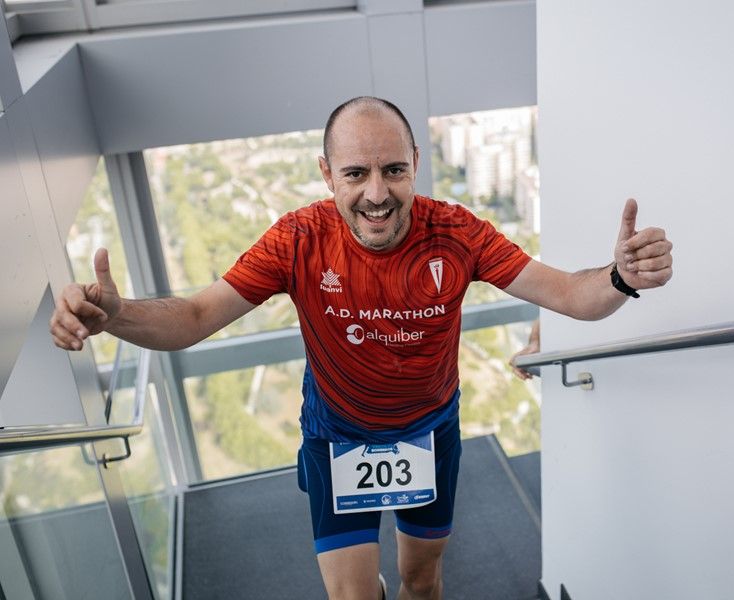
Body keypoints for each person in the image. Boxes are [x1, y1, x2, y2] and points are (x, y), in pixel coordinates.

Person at [49, 96, 673, 600]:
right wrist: (118, 314)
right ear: (328, 175)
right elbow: (192, 318)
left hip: (430, 433)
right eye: (355, 173)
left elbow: (572, 295)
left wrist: (621, 276)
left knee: (422, 582)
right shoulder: (298, 239)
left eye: (393, 170)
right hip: (337, 435)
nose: (377, 193)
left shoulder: (457, 233)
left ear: (414, 164)